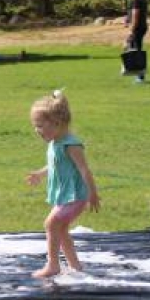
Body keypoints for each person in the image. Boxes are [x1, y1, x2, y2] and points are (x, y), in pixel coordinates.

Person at [25, 90, 101, 278]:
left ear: (57, 123)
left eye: (40, 126)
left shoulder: (71, 144)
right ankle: (75, 265)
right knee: (61, 228)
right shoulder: (55, 142)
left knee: (51, 224)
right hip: (65, 195)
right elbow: (55, 164)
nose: (37, 130)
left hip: (76, 196)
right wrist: (40, 174)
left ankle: (53, 265)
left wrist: (92, 193)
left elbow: (84, 170)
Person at [124, 0, 148, 83]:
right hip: (141, 26)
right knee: (134, 49)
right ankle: (135, 72)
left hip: (137, 28)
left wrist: (131, 30)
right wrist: (127, 18)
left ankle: (140, 76)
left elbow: (136, 15)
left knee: (137, 51)